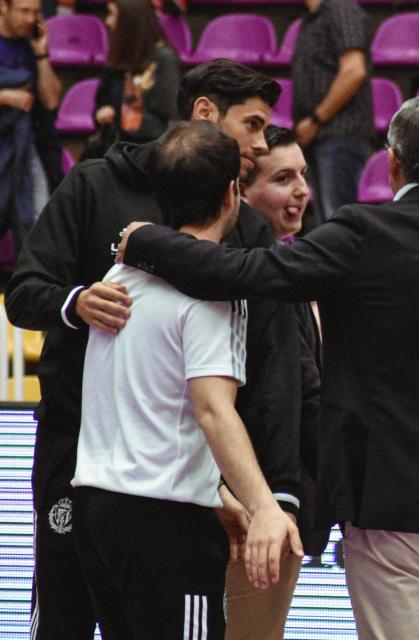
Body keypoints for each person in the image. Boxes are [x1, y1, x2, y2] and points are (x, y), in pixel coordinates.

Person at [118, 96, 419, 640]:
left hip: (389, 500)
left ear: (393, 163)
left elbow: (243, 272)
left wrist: (143, 241)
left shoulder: (361, 233)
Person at [5, 59, 304, 640]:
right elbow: (24, 294)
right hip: (81, 459)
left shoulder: (245, 229)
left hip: (177, 482)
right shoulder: (94, 185)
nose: (262, 143)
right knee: (62, 620)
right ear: (205, 113)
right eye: (253, 125)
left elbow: (275, 369)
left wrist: (270, 490)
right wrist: (74, 302)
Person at [71, 120, 297, 640]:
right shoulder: (214, 289)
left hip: (97, 508)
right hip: (164, 522)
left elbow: (147, 401)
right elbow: (213, 410)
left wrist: (214, 494)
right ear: (232, 194)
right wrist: (265, 506)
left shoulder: (118, 275)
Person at [230, 124, 328, 640]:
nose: (301, 191)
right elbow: (294, 398)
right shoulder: (254, 274)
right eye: (283, 178)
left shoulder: (285, 265)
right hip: (252, 506)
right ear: (240, 192)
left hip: (271, 500)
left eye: (303, 176)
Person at [292, 0, 373, 226]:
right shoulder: (311, 18)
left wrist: (316, 119)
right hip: (319, 136)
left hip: (340, 133)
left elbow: (354, 71)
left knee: (339, 223)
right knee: (327, 224)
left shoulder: (341, 8)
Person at [0, 0, 62, 254]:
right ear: (3, 7)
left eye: (35, 12)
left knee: (37, 225)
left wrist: (41, 54)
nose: (30, 19)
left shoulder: (31, 46)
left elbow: (51, 100)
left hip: (26, 148)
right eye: (23, 11)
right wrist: (5, 96)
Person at [89, 0, 181, 153]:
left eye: (112, 14)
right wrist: (100, 113)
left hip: (150, 152)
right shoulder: (117, 58)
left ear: (130, 21)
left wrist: (119, 113)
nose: (107, 21)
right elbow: (101, 102)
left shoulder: (164, 59)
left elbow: (168, 119)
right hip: (113, 149)